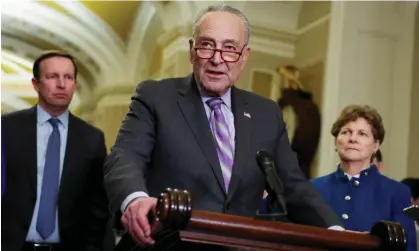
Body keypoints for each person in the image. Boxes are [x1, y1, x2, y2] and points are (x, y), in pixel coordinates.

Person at [104, 4, 342, 249]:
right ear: (191, 50)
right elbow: (125, 155)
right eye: (207, 45)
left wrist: (337, 233)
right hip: (164, 244)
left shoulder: (266, 113)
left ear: (245, 56)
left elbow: (293, 185)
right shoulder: (156, 97)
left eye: (229, 48)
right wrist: (134, 199)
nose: (217, 59)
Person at [2, 51, 110, 251]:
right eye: (52, 77)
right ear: (36, 84)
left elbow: (99, 207)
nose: (62, 84)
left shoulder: (92, 139)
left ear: (74, 84)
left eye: (68, 77)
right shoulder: (6, 129)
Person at [308, 105, 416, 251]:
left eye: (362, 134)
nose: (352, 139)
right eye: (346, 132)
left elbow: (407, 247)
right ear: (335, 142)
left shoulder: (397, 192)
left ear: (376, 146)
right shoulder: (313, 188)